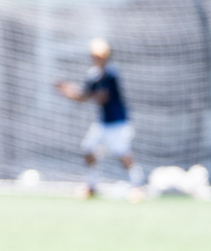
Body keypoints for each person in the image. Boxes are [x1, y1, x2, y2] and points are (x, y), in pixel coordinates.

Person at [54, 38, 144, 198]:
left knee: (123, 154)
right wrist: (68, 91)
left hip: (117, 122)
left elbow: (102, 96)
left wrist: (80, 94)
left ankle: (137, 186)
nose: (96, 59)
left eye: (100, 56)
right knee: (88, 150)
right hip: (103, 123)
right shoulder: (93, 75)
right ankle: (92, 186)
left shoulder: (111, 73)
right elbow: (83, 96)